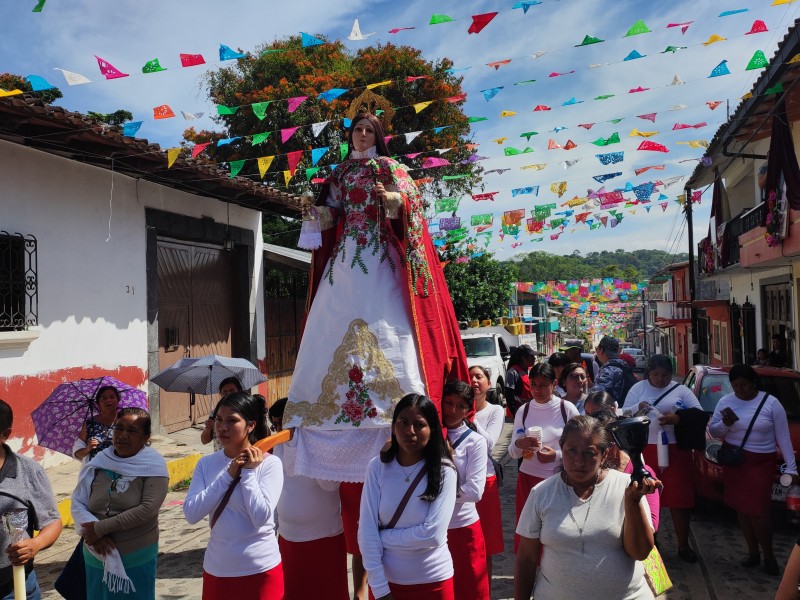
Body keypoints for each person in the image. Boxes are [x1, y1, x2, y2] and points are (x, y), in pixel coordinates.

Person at [285, 112, 468, 600]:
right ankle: (320, 407)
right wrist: (313, 212)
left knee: (392, 331)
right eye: (355, 131)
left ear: (379, 136)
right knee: (330, 322)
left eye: (366, 130)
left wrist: (395, 202)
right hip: (346, 257)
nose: (360, 136)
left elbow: (413, 207)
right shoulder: (339, 175)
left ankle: (398, 403)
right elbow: (330, 217)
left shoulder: (392, 167)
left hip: (380, 259)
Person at [514, 415, 661, 600]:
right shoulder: (541, 494)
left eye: (589, 453)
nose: (579, 461)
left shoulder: (626, 487)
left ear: (604, 454)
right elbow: (526, 559)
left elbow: (640, 552)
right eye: (571, 451)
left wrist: (632, 503)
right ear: (562, 449)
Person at [358, 394, 458, 600]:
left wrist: (383, 537)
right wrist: (379, 587)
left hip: (433, 583)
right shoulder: (377, 468)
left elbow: (433, 534)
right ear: (394, 426)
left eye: (419, 424)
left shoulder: (445, 471)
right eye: (403, 422)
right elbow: (366, 531)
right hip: (386, 584)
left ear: (432, 430)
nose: (410, 431)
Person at [184, 392, 284, 598]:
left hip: (260, 569)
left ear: (250, 425)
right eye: (219, 420)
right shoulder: (206, 464)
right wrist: (228, 475)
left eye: (232, 421)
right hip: (218, 569)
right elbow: (192, 513)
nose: (222, 427)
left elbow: (260, 517)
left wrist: (247, 473)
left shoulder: (270, 464)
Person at [708, 364, 797, 576]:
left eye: (745, 385)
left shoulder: (771, 403)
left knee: (759, 510)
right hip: (735, 461)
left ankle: (769, 555)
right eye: (736, 385)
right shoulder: (725, 402)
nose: (740, 390)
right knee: (742, 508)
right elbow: (713, 429)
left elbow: (783, 437)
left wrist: (792, 467)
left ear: (754, 383)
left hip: (760, 463)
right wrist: (726, 425)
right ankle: (752, 552)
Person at [71, 408, 169, 598]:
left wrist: (99, 528)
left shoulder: (153, 465)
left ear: (146, 436)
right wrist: (95, 534)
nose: (123, 435)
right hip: (95, 553)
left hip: (135, 556)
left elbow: (147, 509)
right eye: (118, 428)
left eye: (132, 431)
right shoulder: (100, 460)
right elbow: (78, 500)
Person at [621, 354, 703, 563]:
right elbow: (623, 415)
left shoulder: (681, 390)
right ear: (648, 373)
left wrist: (677, 419)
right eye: (655, 374)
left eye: (665, 375)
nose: (660, 379)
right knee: (646, 496)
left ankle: (683, 545)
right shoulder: (638, 389)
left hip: (675, 450)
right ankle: (651, 541)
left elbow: (700, 415)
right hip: (644, 450)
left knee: (679, 499)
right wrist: (637, 409)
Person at [271, 397, 348, 600]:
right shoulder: (278, 447)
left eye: (283, 423)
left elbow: (330, 486)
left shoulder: (319, 444)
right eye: (275, 424)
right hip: (288, 539)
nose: (280, 429)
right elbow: (278, 489)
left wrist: (308, 450)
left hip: (323, 539)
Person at [508, 363, 579, 550]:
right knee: (528, 531)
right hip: (527, 479)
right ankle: (531, 571)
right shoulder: (524, 411)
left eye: (543, 385)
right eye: (533, 385)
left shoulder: (567, 409)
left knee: (554, 531)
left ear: (554, 384)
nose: (537, 390)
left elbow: (581, 449)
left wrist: (556, 455)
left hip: (556, 479)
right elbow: (513, 453)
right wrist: (518, 444)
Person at [0, 399, 62, 600]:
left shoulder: (27, 471)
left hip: (14, 589)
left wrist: (34, 545)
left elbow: (52, 522)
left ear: (5, 434)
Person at [441, 382, 489, 600]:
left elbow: (474, 491)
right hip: (432, 528)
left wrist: (434, 494)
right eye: (448, 403)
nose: (452, 411)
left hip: (463, 528)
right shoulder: (426, 435)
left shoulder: (475, 441)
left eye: (460, 405)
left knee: (470, 591)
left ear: (469, 409)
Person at [592, 410, 661, 530]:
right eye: (592, 448)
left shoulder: (639, 473)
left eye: (608, 444)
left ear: (620, 441)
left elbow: (652, 524)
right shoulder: (586, 473)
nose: (602, 452)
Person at [469, 366, 505, 580]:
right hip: (461, 481)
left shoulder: (495, 411)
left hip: (485, 481)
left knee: (486, 545)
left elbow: (489, 442)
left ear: (488, 384)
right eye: (469, 376)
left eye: (478, 376)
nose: (474, 380)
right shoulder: (454, 410)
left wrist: (470, 417)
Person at [73, 385, 120, 463]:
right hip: (95, 471)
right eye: (104, 398)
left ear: (118, 400)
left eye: (112, 397)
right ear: (98, 404)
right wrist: (88, 449)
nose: (108, 400)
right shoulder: (89, 423)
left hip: (121, 468)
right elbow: (78, 454)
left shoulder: (125, 420)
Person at [590, 336, 638, 406]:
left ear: (602, 350)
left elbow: (595, 396)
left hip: (613, 412)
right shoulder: (624, 365)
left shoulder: (608, 370)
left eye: (597, 349)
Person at [200, 377, 243, 446]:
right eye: (225, 392)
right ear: (221, 394)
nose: (228, 394)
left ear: (239, 391)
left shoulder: (245, 410)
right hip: (220, 455)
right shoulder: (216, 412)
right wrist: (208, 429)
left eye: (232, 391)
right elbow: (204, 441)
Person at [504, 345, 538, 416]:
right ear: (524, 358)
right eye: (531, 356)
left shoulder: (531, 370)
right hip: (520, 411)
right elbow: (509, 396)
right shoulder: (512, 372)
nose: (534, 358)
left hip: (532, 410)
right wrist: (515, 413)